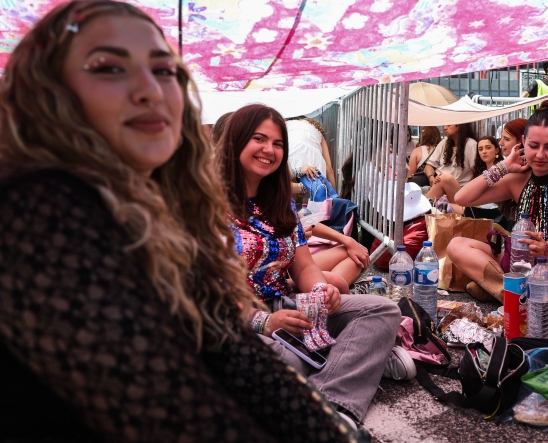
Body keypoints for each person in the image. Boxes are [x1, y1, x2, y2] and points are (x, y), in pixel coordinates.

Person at [0, 2, 363, 442]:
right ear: (48, 91)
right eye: (108, 67)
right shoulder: (37, 206)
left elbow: (226, 344)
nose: (150, 89)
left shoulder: (157, 205)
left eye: (164, 70)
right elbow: (165, 402)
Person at [217, 103, 410, 427]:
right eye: (259, 139)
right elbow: (204, 289)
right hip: (233, 318)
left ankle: (333, 411)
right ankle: (355, 362)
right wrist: (263, 322)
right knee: (287, 361)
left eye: (278, 143)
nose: (269, 149)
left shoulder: (281, 207)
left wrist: (321, 289)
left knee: (382, 311)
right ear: (235, 142)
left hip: (286, 307)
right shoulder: (207, 204)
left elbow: (304, 267)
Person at [447, 101, 548, 303]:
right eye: (533, 146)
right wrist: (503, 166)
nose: (539, 155)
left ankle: (501, 290)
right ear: (522, 143)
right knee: (456, 245)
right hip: (518, 263)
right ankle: (514, 295)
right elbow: (461, 198)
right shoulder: (519, 179)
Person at [428, 135, 504, 209]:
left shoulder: (500, 171)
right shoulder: (479, 170)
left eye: (488, 148)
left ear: (496, 150)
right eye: (480, 149)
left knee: (439, 204)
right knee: (442, 180)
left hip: (487, 210)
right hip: (472, 205)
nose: (484, 152)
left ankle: (423, 209)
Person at [287, 117, 337, 189]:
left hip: (291, 155)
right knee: (316, 193)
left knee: (286, 187)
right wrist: (335, 196)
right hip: (313, 160)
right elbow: (329, 169)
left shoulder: (286, 125)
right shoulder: (318, 133)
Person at [425, 123, 478, 188]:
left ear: (459, 126)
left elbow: (476, 172)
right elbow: (429, 165)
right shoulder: (444, 142)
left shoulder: (471, 144)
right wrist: (431, 178)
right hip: (438, 180)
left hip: (458, 186)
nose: (444, 127)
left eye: (449, 125)